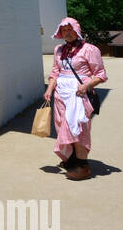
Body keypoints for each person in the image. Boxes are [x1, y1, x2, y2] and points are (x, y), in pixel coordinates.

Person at [42, 17, 107, 180]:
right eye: (64, 31)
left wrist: (86, 86)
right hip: (60, 95)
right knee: (62, 127)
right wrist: (49, 89)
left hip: (79, 94)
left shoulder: (89, 49)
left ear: (77, 30)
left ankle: (83, 166)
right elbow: (55, 72)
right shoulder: (58, 49)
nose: (67, 33)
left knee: (79, 128)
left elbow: (101, 75)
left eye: (70, 30)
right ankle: (71, 161)